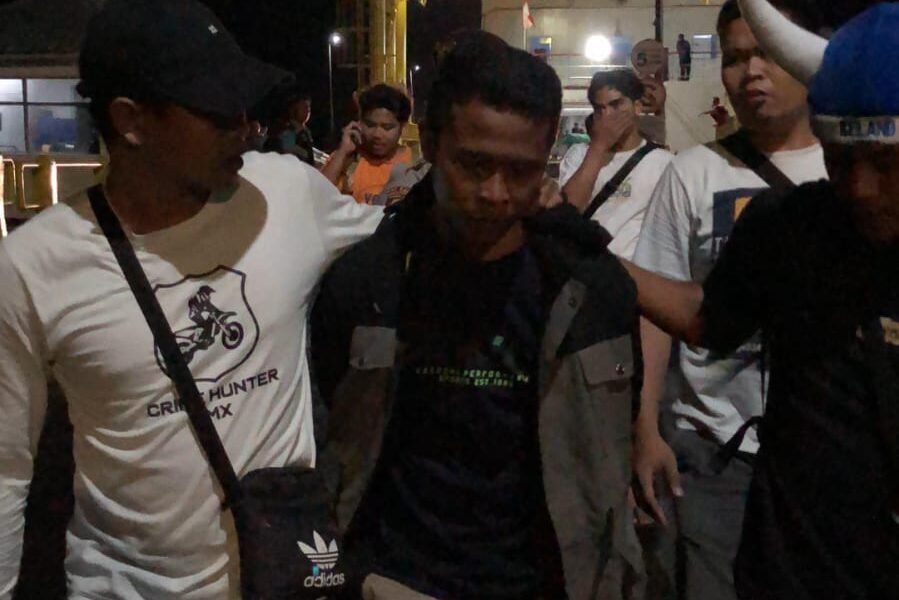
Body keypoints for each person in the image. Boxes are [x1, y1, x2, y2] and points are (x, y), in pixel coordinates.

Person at [0, 0, 383, 597]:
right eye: (216, 111)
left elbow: (411, 240)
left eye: (244, 105)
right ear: (130, 121)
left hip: (282, 575)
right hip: (125, 587)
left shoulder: (285, 193)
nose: (246, 126)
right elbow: (5, 469)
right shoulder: (34, 265)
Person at [312, 31, 644, 600]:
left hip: (547, 582)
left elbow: (609, 438)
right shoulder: (369, 283)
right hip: (393, 580)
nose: (494, 192)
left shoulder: (590, 290)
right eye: (474, 164)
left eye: (520, 170)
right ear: (432, 143)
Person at [625, 1, 899, 598]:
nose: (860, 188)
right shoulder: (789, 223)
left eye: (886, 162)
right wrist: (593, 257)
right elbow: (707, 320)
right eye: (839, 160)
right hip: (790, 557)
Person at [560, 69, 673, 259]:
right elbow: (568, 211)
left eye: (616, 105)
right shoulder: (579, 155)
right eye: (599, 109)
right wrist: (599, 147)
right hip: (584, 268)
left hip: (633, 271)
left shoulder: (663, 163)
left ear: (637, 107)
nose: (607, 115)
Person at [322, 84, 414, 204]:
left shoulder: (415, 163)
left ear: (402, 127)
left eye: (387, 127)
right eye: (370, 125)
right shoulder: (347, 160)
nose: (377, 134)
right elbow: (317, 196)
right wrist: (342, 152)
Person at [262, 84, 316, 165]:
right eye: (304, 107)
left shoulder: (305, 131)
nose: (307, 110)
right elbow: (287, 153)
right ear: (292, 109)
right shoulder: (285, 129)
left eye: (309, 107)